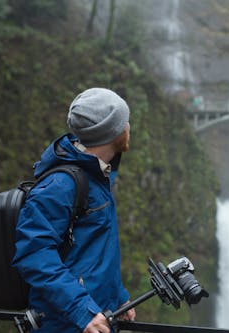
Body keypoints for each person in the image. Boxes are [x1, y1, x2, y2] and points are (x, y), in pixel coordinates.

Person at [12, 88, 136, 333]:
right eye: (124, 122)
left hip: (97, 318)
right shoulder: (60, 186)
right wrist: (83, 311)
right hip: (69, 324)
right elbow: (34, 255)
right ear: (110, 133)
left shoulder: (98, 176)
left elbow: (95, 251)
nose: (129, 126)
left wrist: (118, 297)